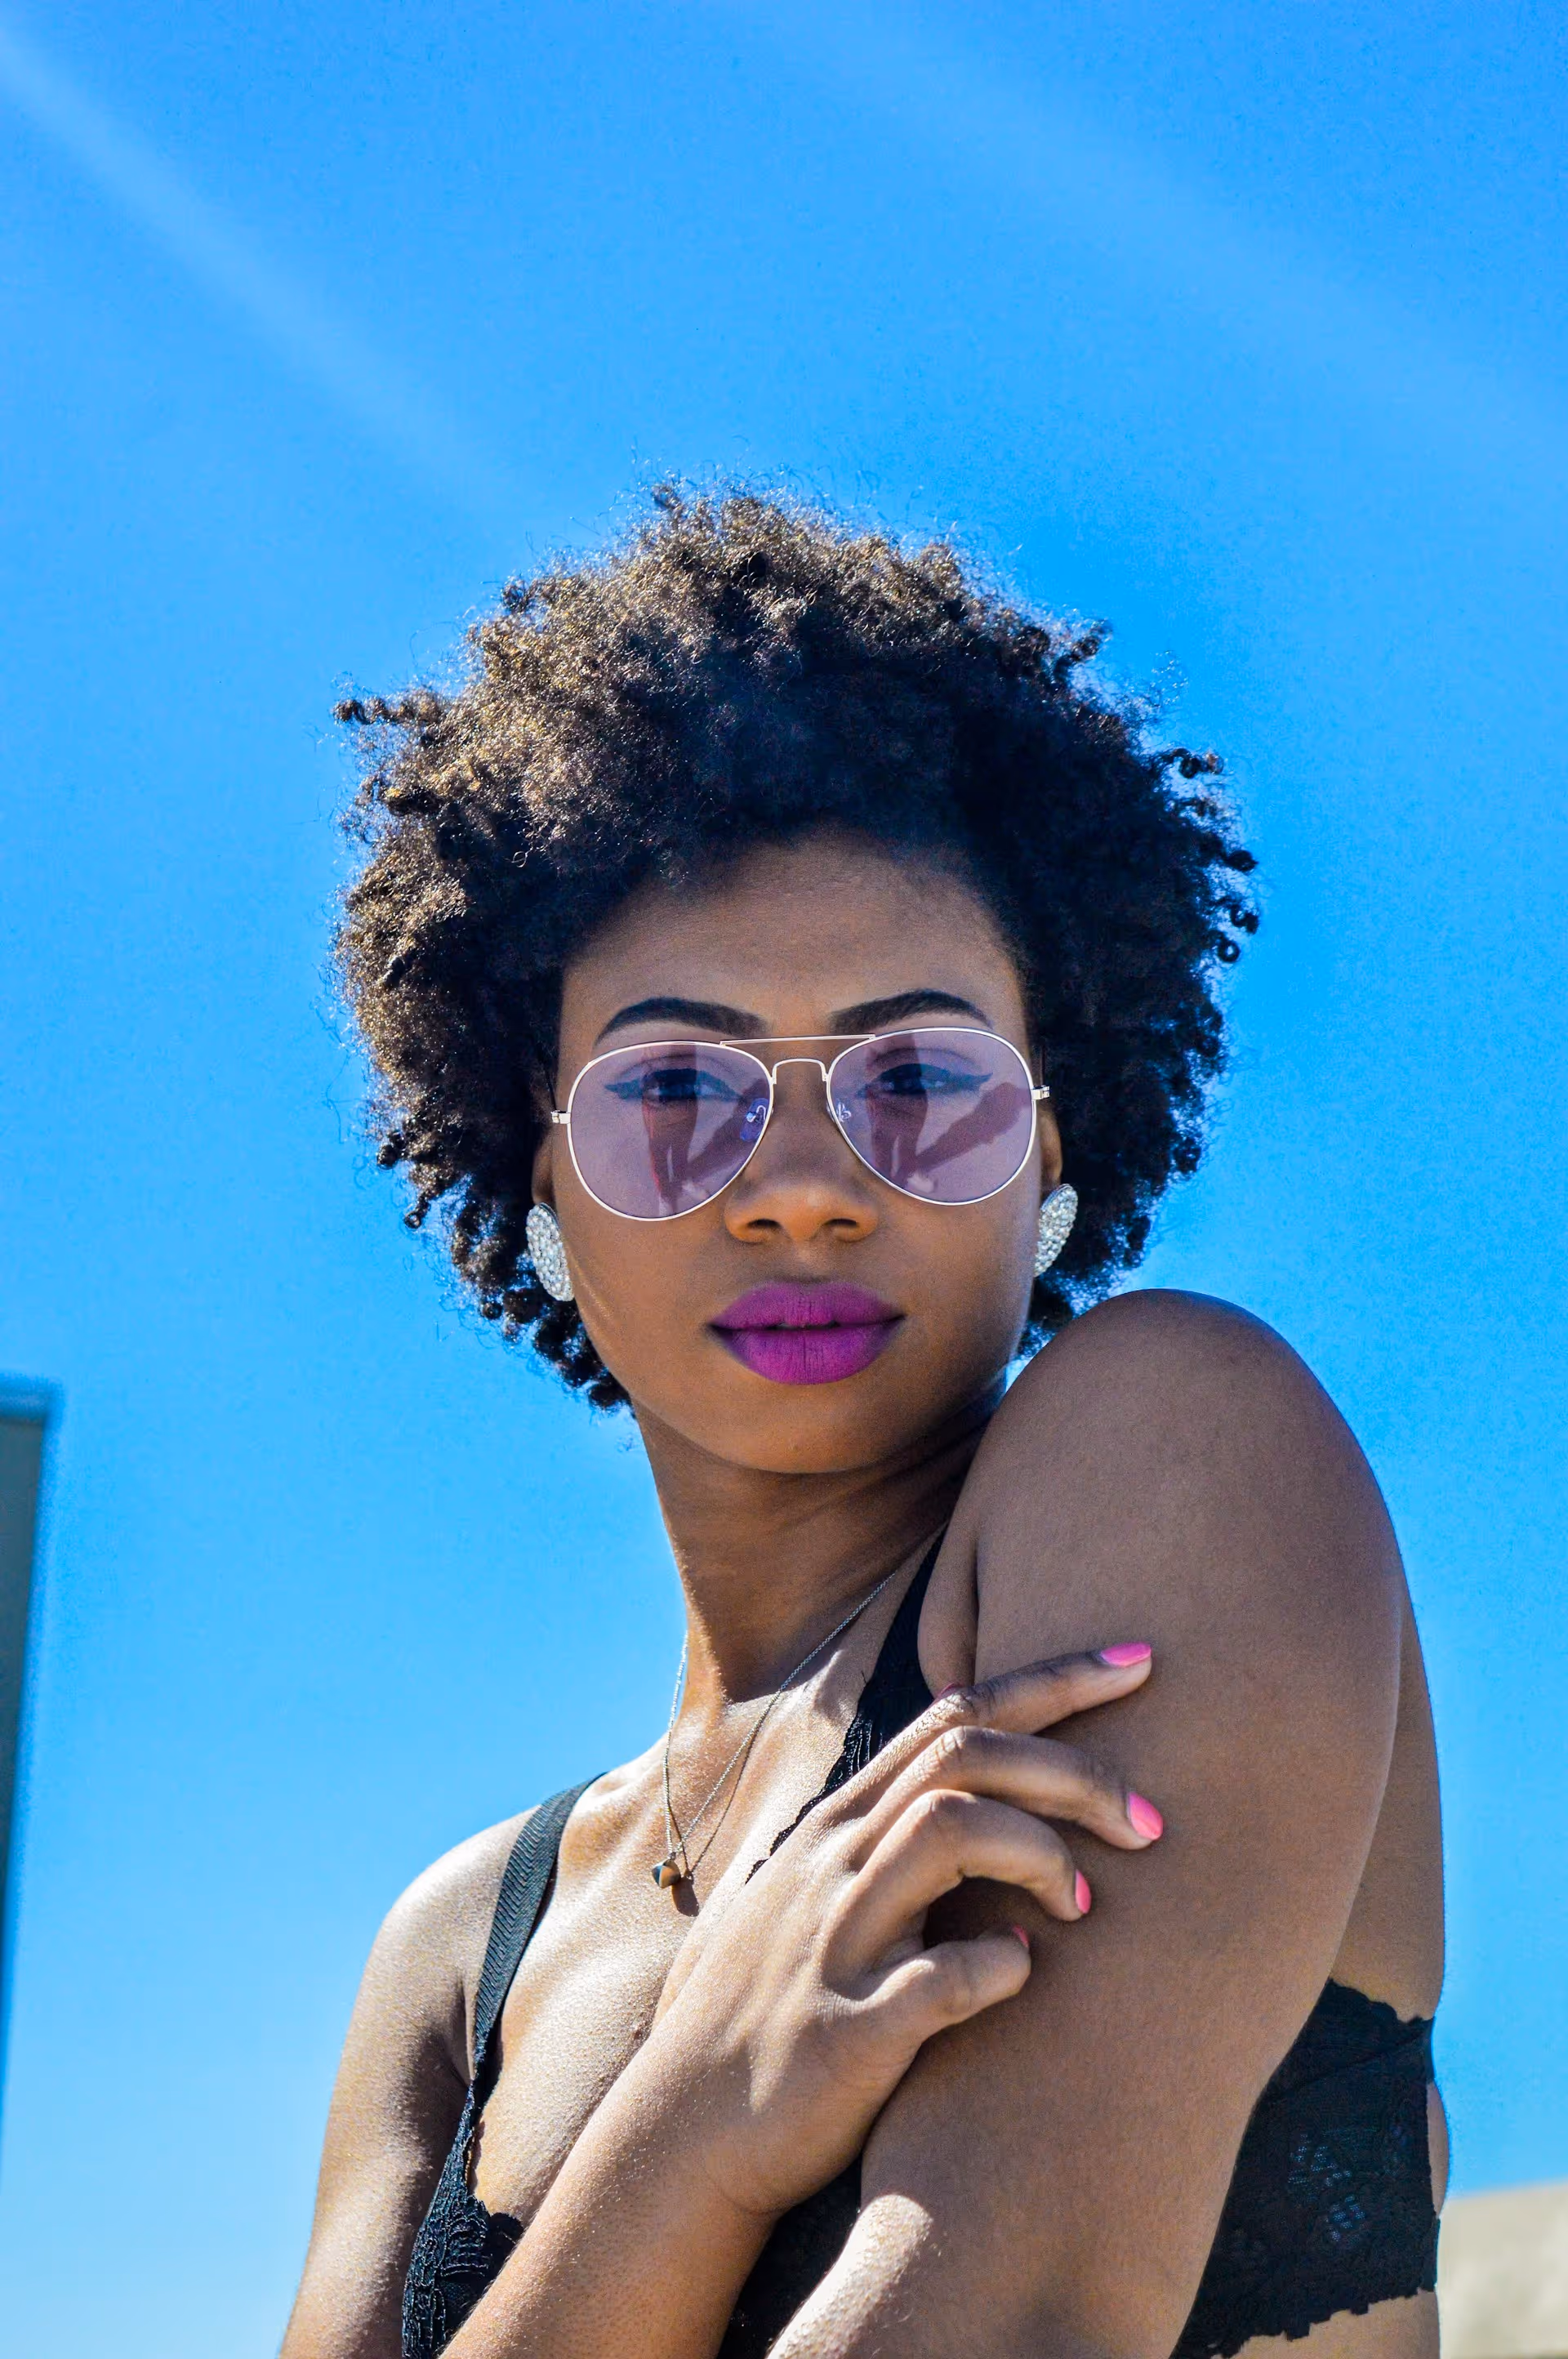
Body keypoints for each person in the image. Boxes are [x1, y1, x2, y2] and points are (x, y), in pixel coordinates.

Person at [282, 490, 1445, 2359]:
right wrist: (693, 2132)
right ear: (540, 1178)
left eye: (920, 1079)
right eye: (678, 1094)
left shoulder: (1182, 1453)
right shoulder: (458, 1954)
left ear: (1050, 1152)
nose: (806, 1187)